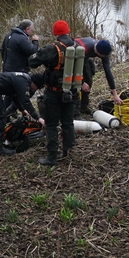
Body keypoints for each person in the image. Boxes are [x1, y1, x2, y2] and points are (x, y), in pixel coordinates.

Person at [28, 20, 77, 166]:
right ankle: (67, 150)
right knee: (68, 122)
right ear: (67, 32)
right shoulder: (76, 46)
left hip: (54, 92)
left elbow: (32, 62)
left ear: (55, 34)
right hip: (72, 91)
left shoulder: (52, 48)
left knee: (51, 124)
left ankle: (51, 157)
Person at [0, 72, 42, 156]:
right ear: (33, 82)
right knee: (0, 115)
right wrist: (38, 118)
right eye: (36, 87)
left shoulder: (23, 80)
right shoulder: (23, 83)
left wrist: (22, 110)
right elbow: (26, 102)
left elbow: (15, 97)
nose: (35, 89)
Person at [73, 37, 123, 114]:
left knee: (88, 80)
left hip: (85, 59)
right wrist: (81, 82)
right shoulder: (83, 50)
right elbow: (74, 67)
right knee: (75, 85)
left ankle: (84, 107)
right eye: (103, 56)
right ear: (98, 52)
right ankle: (74, 110)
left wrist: (115, 94)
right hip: (74, 58)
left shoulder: (103, 50)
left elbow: (108, 72)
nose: (104, 57)